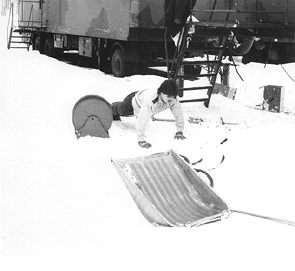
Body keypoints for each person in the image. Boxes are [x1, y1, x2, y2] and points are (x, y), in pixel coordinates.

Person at [111, 79, 186, 149]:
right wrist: (141, 140)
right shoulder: (150, 100)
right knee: (122, 111)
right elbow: (142, 119)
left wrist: (179, 132)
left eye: (173, 96)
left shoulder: (173, 100)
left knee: (144, 112)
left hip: (144, 100)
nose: (171, 99)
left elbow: (179, 115)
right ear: (162, 93)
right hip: (133, 101)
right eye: (168, 96)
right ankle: (112, 107)